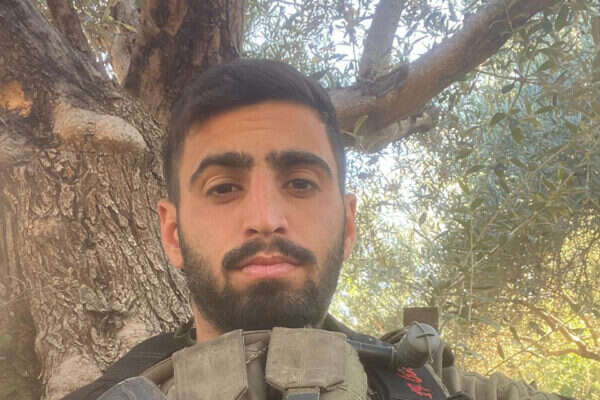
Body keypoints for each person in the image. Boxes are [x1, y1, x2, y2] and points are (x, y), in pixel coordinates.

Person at [63, 59, 568, 400]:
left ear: (348, 225)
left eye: (300, 183)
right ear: (172, 234)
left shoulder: (440, 389)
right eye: (224, 187)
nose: (265, 218)